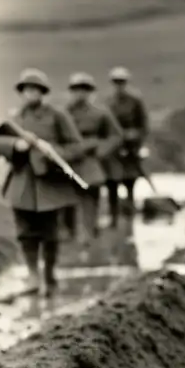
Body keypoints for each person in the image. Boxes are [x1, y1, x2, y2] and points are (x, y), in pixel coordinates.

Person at [0, 69, 84, 296]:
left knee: (50, 233)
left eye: (35, 90)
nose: (30, 94)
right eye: (26, 90)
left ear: (43, 93)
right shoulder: (15, 119)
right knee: (25, 232)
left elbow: (76, 147)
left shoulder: (57, 116)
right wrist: (15, 147)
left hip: (48, 184)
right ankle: (33, 277)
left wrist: (50, 152)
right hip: (21, 182)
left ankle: (50, 277)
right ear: (21, 93)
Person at [62, 72, 124, 246]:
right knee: (67, 199)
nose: (80, 94)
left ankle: (90, 234)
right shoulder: (63, 114)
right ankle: (70, 235)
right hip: (69, 161)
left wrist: (101, 150)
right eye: (76, 90)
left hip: (90, 162)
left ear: (90, 93)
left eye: (85, 90)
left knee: (91, 196)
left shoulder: (100, 114)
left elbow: (116, 136)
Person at [105, 66, 150, 224]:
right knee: (111, 183)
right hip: (114, 149)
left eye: (122, 82)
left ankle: (129, 217)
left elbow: (144, 126)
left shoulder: (135, 101)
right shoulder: (108, 102)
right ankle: (113, 218)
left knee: (130, 182)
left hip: (131, 147)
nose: (119, 85)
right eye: (116, 82)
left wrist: (135, 137)